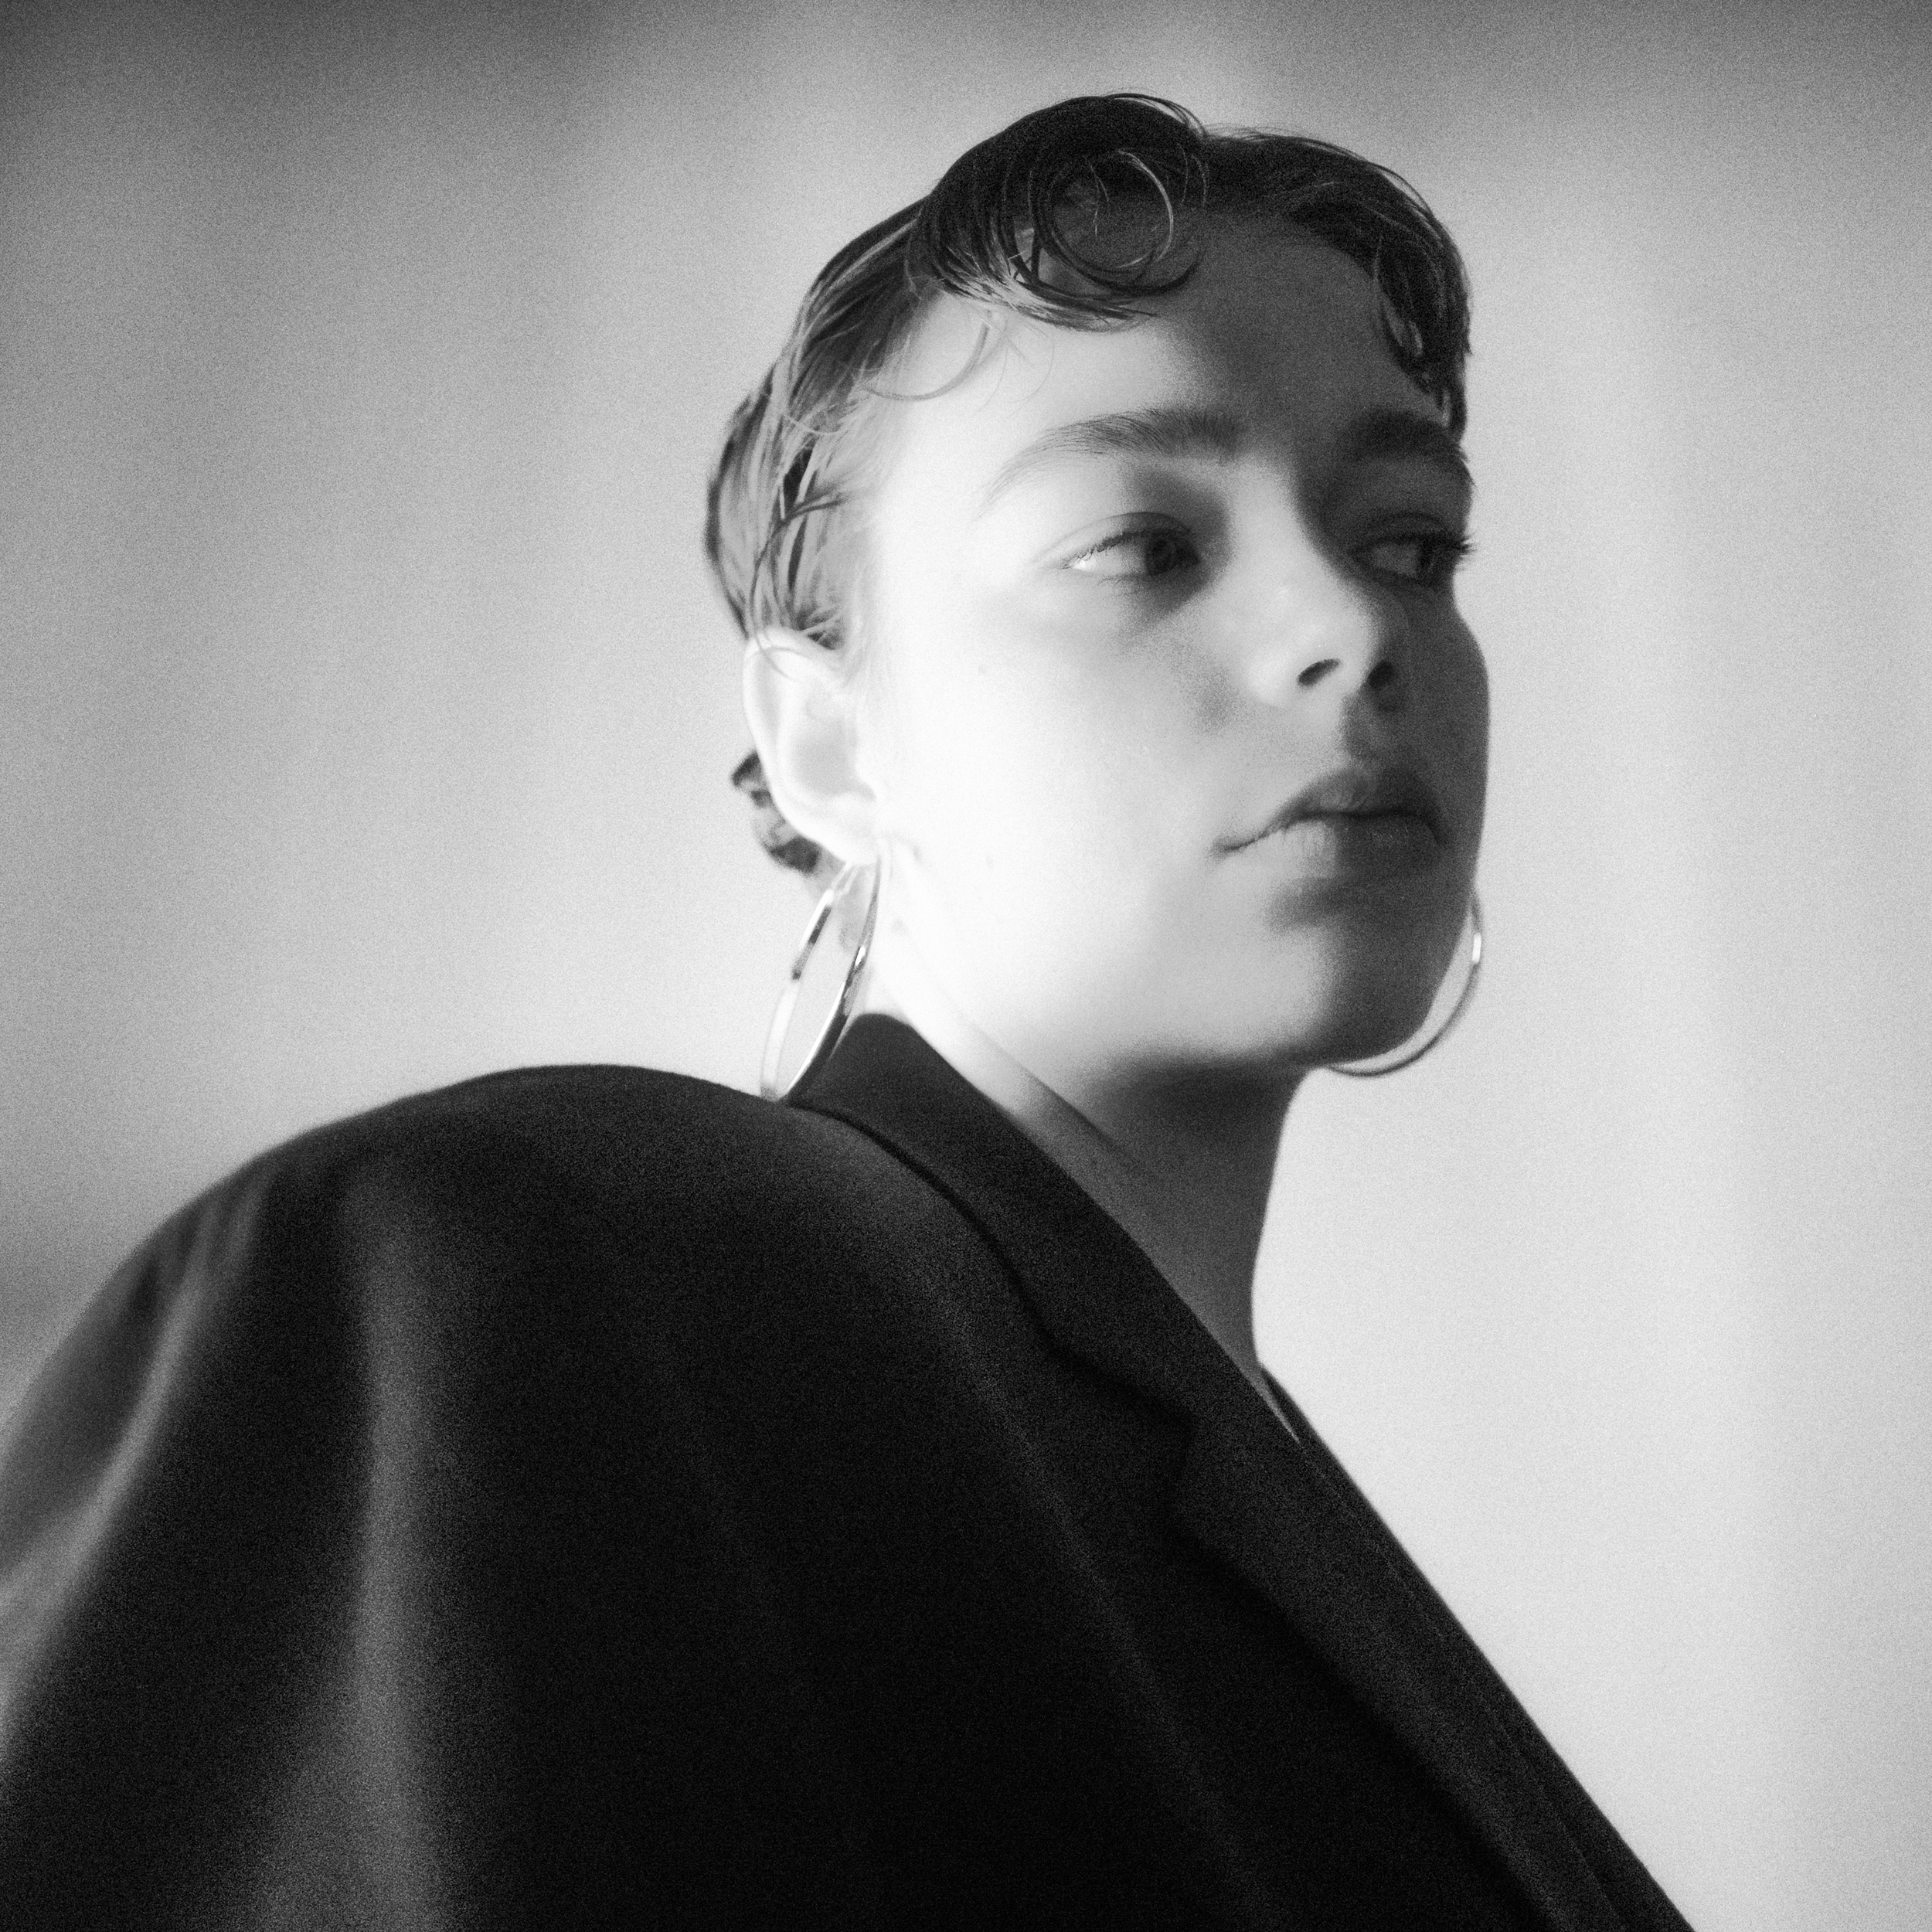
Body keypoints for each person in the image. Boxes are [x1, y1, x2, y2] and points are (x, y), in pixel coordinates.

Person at [0, 94, 1691, 1930]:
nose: (1349, 628)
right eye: (1140, 541)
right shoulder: (522, 1260)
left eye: (1410, 540)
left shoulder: (1298, 1526)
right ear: (823, 738)